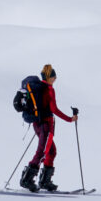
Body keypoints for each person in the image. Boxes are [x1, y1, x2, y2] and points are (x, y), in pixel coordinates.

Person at [20, 64, 77, 193]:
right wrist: (70, 119)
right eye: (54, 76)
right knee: (42, 152)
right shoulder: (48, 89)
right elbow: (53, 109)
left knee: (51, 152)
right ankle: (27, 180)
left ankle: (45, 181)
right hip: (45, 125)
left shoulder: (39, 88)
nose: (55, 79)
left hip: (38, 124)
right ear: (50, 77)